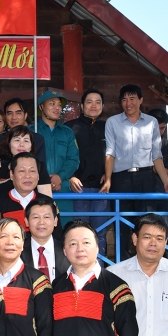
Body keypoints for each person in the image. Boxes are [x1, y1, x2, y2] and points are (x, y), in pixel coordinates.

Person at [103, 84, 168, 258]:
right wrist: (108, 179)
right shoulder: (112, 122)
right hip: (121, 178)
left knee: (148, 224)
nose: (128, 103)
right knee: (121, 225)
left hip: (146, 178)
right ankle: (122, 266)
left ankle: (150, 262)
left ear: (140, 100)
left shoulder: (151, 122)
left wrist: (166, 181)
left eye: (132, 99)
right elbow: (110, 153)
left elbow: (157, 156)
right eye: (124, 99)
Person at [67, 89, 109, 253]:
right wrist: (70, 177)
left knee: (100, 234)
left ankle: (99, 271)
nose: (94, 105)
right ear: (82, 105)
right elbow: (65, 157)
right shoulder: (70, 128)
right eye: (89, 102)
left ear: (103, 106)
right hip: (78, 190)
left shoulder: (108, 127)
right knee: (79, 233)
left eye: (98, 102)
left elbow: (114, 154)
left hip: (101, 190)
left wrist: (109, 174)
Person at [35, 90, 79, 196]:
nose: (57, 108)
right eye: (52, 104)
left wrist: (59, 177)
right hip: (37, 188)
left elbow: (73, 159)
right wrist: (45, 179)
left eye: (59, 105)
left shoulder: (67, 132)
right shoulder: (32, 131)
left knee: (64, 213)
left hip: (63, 188)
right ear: (41, 107)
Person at [21, 195, 69, 280]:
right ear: (26, 222)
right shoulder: (18, 252)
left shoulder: (67, 250)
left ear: (55, 221)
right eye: (36, 217)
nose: (41, 222)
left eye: (46, 217)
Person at [0, 123, 52, 193]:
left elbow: (46, 198)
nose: (21, 144)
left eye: (26, 140)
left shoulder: (40, 167)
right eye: (17, 140)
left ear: (31, 146)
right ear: (9, 144)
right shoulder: (0, 169)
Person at [0, 153, 39, 229]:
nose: (27, 176)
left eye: (32, 171)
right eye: (21, 171)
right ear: (11, 174)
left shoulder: (47, 202)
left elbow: (57, 236)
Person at [148, 108, 168, 218]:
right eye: (156, 128)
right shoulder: (137, 144)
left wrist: (154, 167)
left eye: (162, 128)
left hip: (161, 195)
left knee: (165, 232)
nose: (159, 131)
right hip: (140, 195)